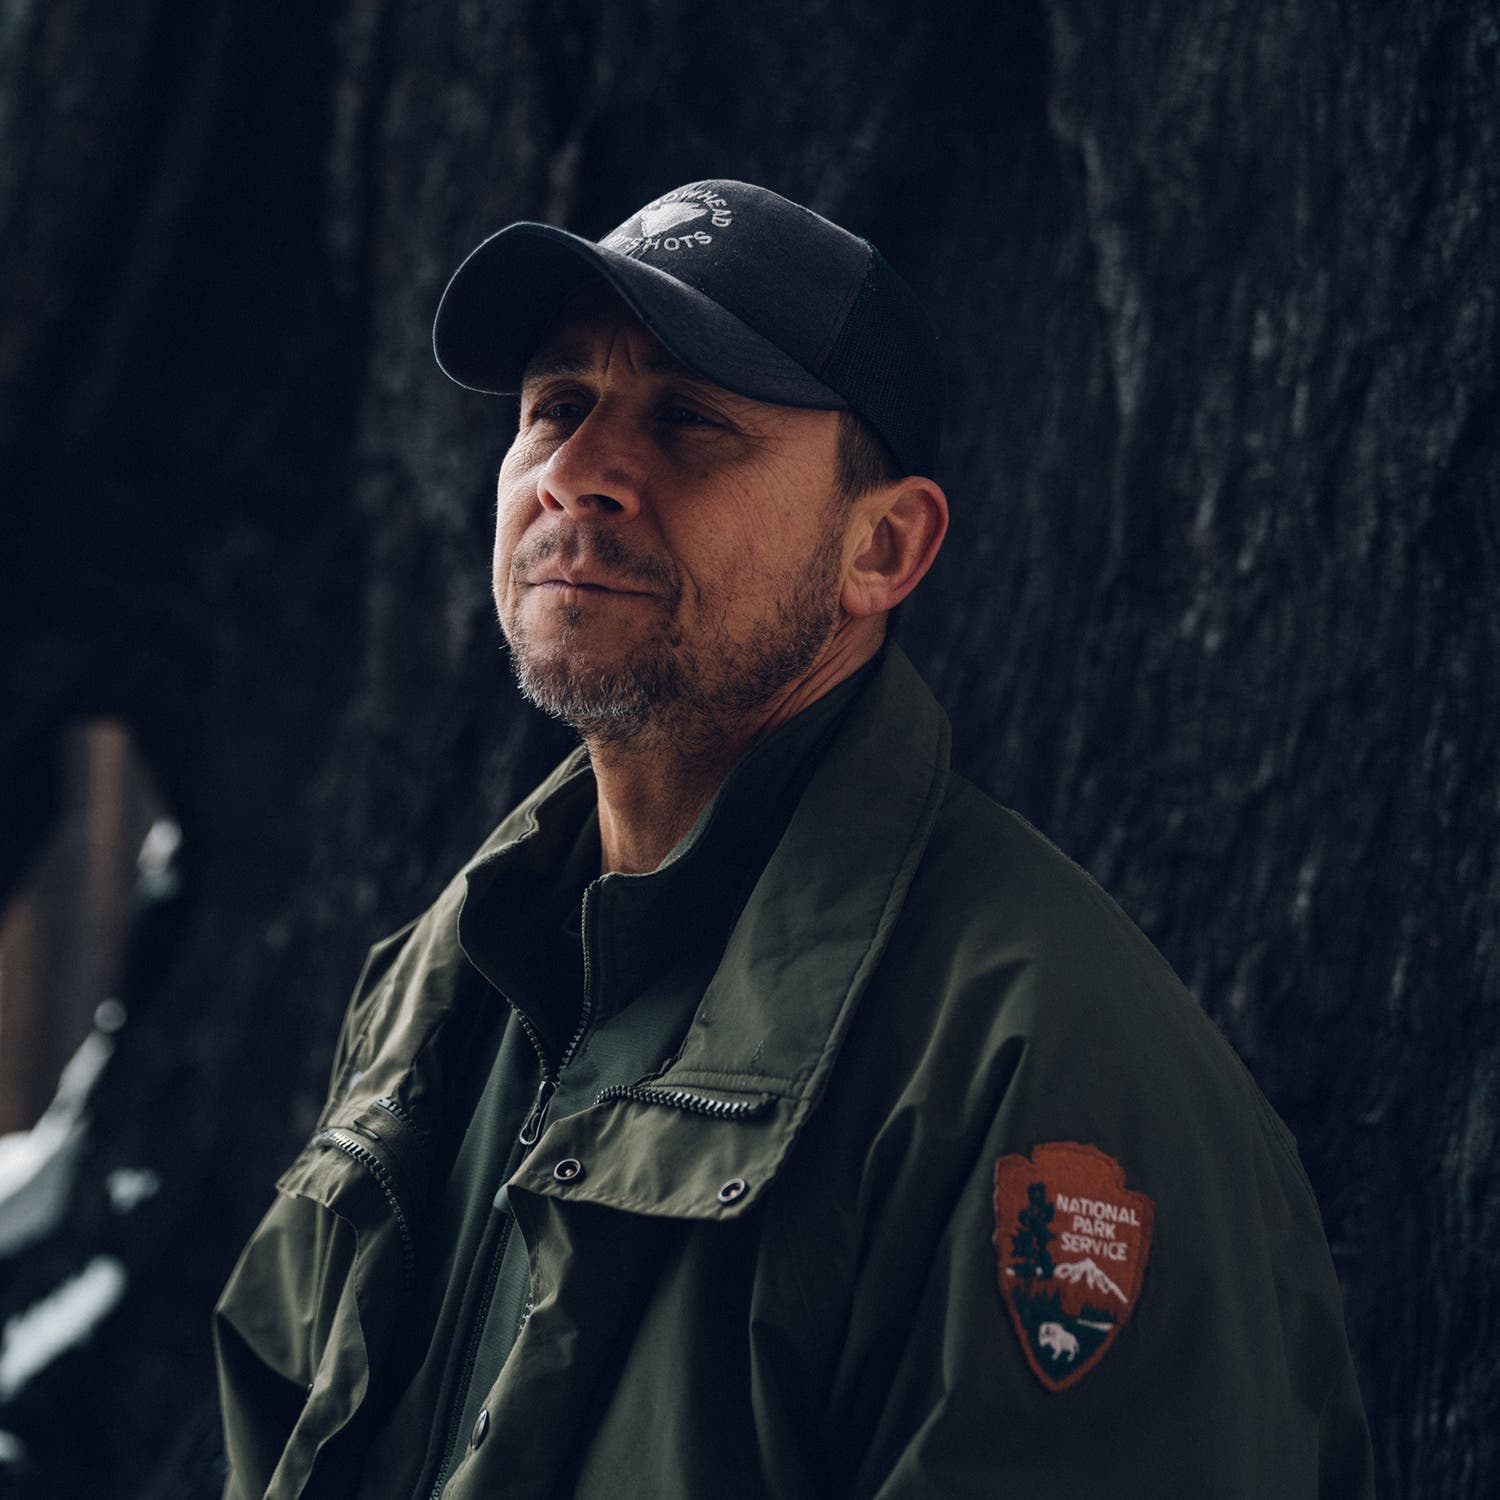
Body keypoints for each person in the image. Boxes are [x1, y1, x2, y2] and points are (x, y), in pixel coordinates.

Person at [213, 180, 1374, 1499]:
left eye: (692, 423)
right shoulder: (440, 980)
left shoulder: (1042, 1071)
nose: (579, 472)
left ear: (883, 547)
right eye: (556, 405)